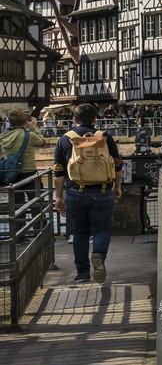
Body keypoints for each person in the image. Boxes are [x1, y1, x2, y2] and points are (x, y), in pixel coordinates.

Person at [53, 104, 124, 284]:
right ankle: (98, 254)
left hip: (75, 191)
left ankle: (82, 273)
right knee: (101, 229)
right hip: (102, 190)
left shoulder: (64, 140)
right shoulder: (105, 137)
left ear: (74, 120)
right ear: (95, 119)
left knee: (79, 232)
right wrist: (117, 187)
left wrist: (59, 197)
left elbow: (59, 172)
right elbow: (117, 165)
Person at [2, 109, 49, 183]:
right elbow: (42, 142)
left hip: (10, 173)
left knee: (14, 190)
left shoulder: (3, 136)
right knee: (36, 190)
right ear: (26, 122)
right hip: (28, 172)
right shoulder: (28, 135)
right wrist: (33, 127)